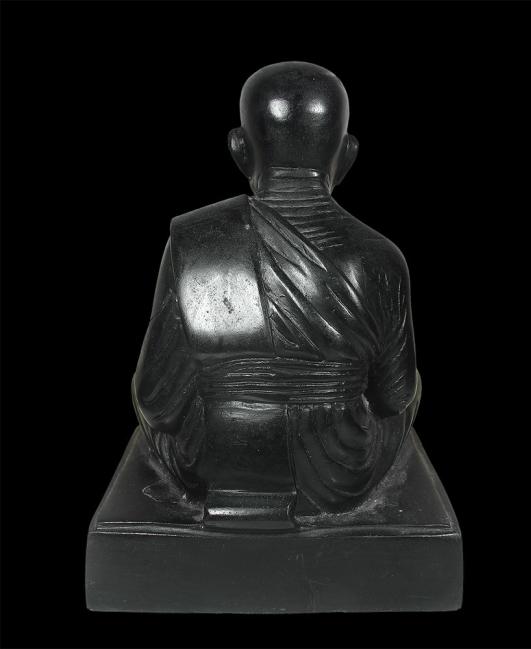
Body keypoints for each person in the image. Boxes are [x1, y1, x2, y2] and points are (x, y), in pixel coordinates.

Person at [132, 61, 421, 529]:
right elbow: (394, 397)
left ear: (239, 149)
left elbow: (154, 399)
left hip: (213, 464)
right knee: (413, 396)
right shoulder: (381, 258)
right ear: (347, 154)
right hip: (335, 472)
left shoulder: (194, 241)